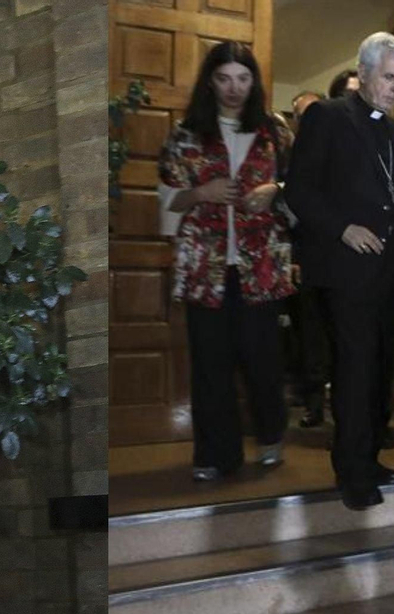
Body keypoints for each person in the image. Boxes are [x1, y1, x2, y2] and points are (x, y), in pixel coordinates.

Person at [284, 32, 394, 509]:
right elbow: (298, 190)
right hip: (345, 273)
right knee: (355, 372)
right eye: (388, 78)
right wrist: (343, 228)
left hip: (390, 276)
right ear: (364, 74)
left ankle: (370, 457)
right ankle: (352, 473)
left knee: (380, 373)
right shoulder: (328, 117)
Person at [157, 41, 295, 482]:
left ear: (253, 82)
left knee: (263, 360)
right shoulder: (186, 133)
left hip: (261, 265)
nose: (234, 88)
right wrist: (202, 193)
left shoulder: (274, 131)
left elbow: (300, 187)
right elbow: (165, 201)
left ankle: (271, 438)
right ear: (210, 81)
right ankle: (216, 454)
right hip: (206, 267)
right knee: (210, 364)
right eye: (224, 78)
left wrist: (274, 189)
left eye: (243, 78)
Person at [281, 89, 330, 428]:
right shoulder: (284, 154)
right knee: (308, 336)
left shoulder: (339, 150)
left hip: (341, 259)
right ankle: (312, 403)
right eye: (303, 115)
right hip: (301, 258)